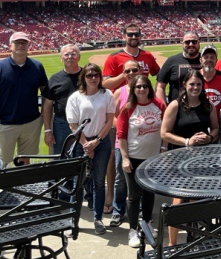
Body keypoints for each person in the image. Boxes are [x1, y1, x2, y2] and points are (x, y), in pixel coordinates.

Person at [102, 23, 160, 219]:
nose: (133, 36)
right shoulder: (115, 59)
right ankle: (119, 210)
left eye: (136, 34)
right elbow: (105, 83)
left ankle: (143, 214)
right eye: (130, 34)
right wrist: (125, 74)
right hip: (124, 137)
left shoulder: (148, 57)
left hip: (144, 135)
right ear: (124, 36)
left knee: (144, 176)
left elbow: (159, 75)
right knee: (121, 176)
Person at [160, 69, 219, 246]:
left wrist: (209, 138)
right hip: (179, 158)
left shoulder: (208, 105)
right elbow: (164, 133)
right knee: (178, 201)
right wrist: (187, 141)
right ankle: (172, 243)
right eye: (192, 84)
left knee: (196, 200)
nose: (195, 87)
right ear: (185, 85)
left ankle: (195, 238)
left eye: (199, 84)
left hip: (202, 160)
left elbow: (216, 129)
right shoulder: (175, 105)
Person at [0, 32, 48, 167]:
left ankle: (21, 187)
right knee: (1, 163)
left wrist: (43, 118)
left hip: (31, 123)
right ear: (10, 46)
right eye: (17, 42)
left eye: (24, 43)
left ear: (28, 45)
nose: (21, 45)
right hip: (6, 124)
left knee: (25, 162)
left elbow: (45, 94)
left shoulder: (37, 66)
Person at [116, 75, 166, 247]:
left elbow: (165, 129)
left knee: (149, 193)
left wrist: (163, 150)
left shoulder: (159, 105)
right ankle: (132, 229)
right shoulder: (128, 108)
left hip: (152, 159)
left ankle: (147, 222)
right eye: (138, 87)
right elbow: (121, 135)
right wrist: (124, 158)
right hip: (134, 158)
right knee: (134, 195)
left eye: (145, 86)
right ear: (133, 89)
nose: (142, 89)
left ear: (149, 87)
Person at [66, 63, 115, 236]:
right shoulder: (75, 98)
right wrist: (86, 144)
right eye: (89, 75)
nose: (93, 78)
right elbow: (73, 126)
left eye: (96, 75)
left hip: (101, 142)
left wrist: (97, 142)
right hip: (81, 143)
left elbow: (109, 121)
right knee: (78, 184)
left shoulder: (107, 94)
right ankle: (74, 221)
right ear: (83, 78)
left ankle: (98, 218)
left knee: (99, 183)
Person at [108, 60, 141, 227]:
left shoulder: (145, 90)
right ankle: (117, 210)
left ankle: (140, 209)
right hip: (122, 141)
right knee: (120, 179)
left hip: (142, 142)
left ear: (140, 70)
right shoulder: (119, 92)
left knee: (140, 176)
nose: (130, 73)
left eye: (134, 70)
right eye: (127, 71)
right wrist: (123, 126)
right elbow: (112, 117)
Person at [42, 44, 81, 155]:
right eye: (66, 54)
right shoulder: (55, 79)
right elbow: (47, 106)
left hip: (84, 124)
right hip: (61, 124)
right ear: (61, 58)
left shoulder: (87, 76)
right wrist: (48, 130)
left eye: (73, 54)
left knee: (84, 157)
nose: (70, 57)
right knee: (61, 157)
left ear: (79, 57)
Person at [156, 31, 202, 102]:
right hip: (176, 110)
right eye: (187, 42)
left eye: (194, 42)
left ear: (199, 42)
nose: (191, 44)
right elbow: (159, 87)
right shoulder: (172, 61)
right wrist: (163, 109)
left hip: (201, 109)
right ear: (182, 44)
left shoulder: (206, 61)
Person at [200, 44, 221, 119]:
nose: (209, 60)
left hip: (219, 122)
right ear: (200, 60)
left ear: (216, 60)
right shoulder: (194, 77)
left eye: (212, 57)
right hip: (199, 123)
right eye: (206, 57)